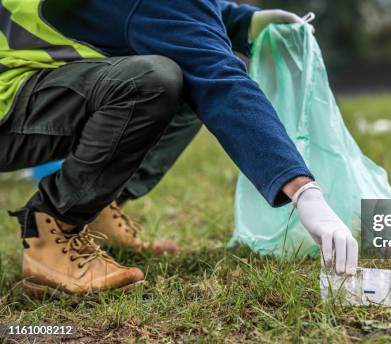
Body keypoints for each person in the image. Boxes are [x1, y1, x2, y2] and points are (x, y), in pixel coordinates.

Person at [0, 0, 357, 297]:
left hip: (26, 88)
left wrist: (244, 21)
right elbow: (218, 78)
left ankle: (98, 210)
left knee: (177, 75)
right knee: (154, 81)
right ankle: (53, 229)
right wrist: (304, 191)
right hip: (8, 108)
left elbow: (167, 14)